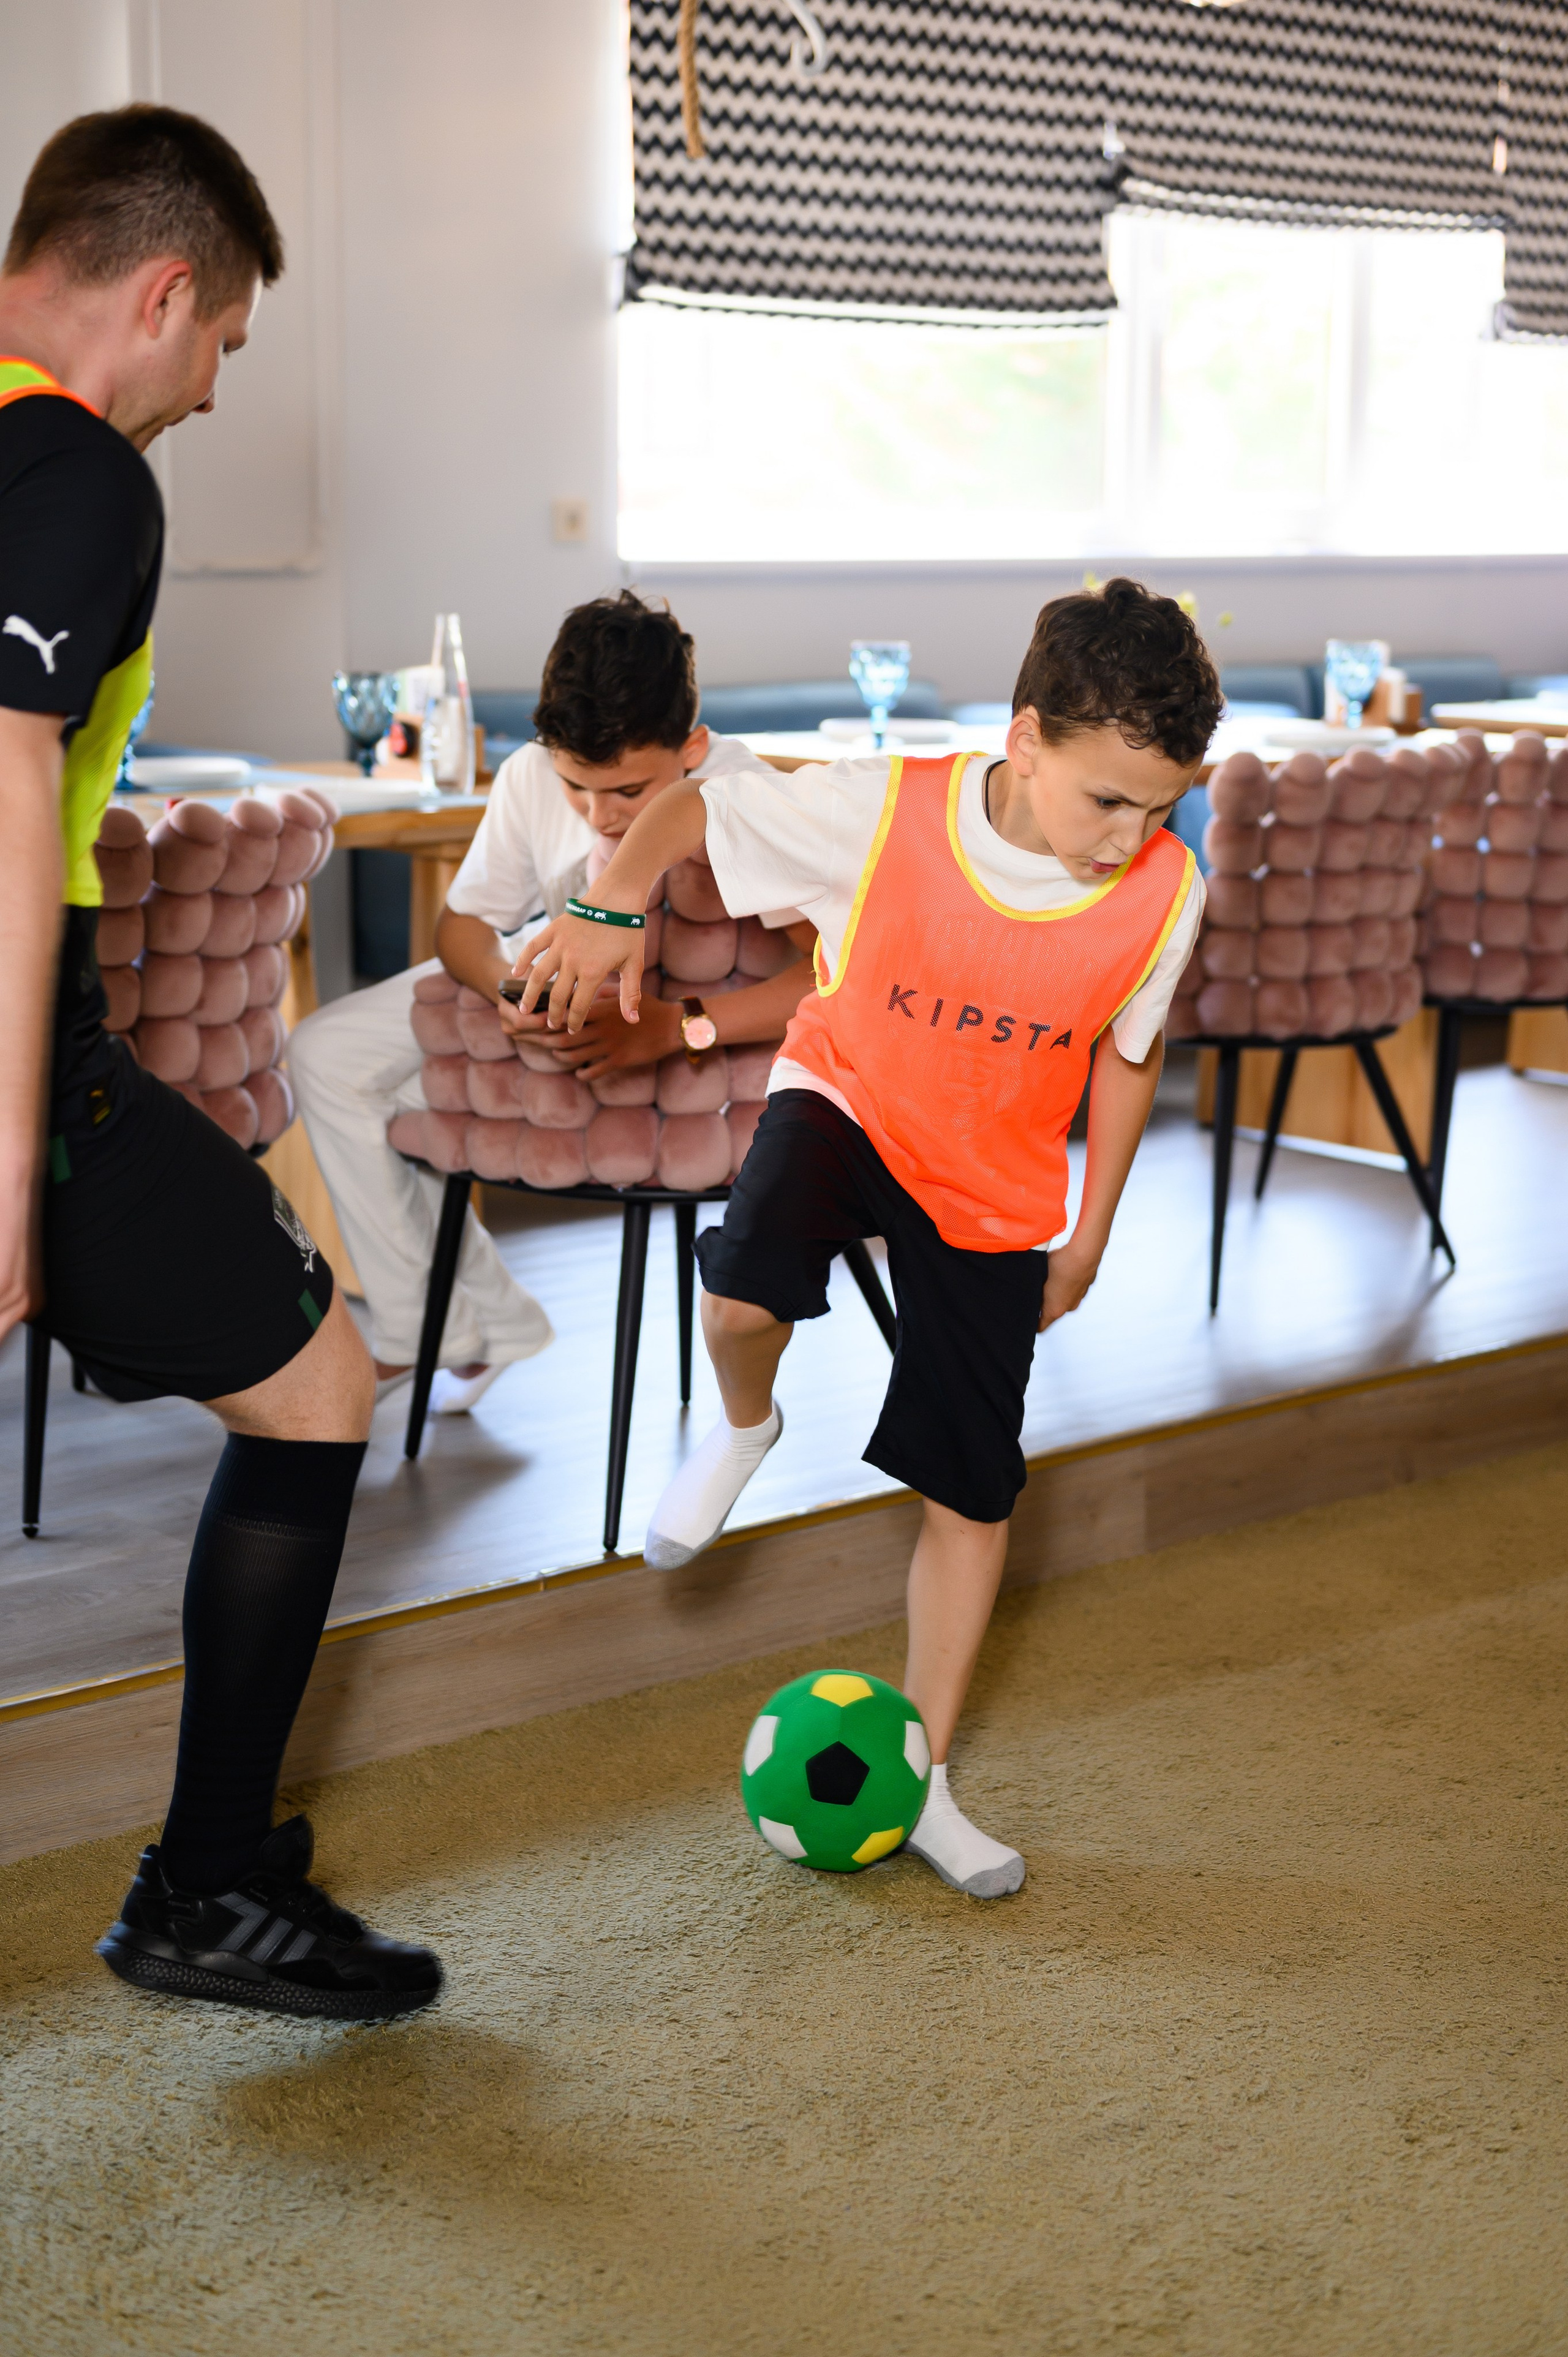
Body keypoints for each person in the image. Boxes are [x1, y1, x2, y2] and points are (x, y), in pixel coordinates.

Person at [517, 579, 1219, 1899]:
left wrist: (1090, 1234)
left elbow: (1133, 1053)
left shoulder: (1162, 893)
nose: (1131, 834)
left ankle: (927, 1776)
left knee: (970, 1490)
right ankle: (742, 1426)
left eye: (1161, 804)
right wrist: (607, 906)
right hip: (848, 1094)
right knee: (736, 1301)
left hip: (993, 1180)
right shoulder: (886, 805)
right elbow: (692, 802)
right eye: (1104, 800)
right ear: (1023, 741)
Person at [0, 106, 440, 2015]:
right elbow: (8, 774)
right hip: (25, 1062)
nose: (205, 392)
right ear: (166, 289)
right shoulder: (77, 468)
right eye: (223, 347)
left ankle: (224, 1875)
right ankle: (210, 1889)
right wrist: (9, 1146)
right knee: (318, 1379)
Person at [288, 589, 816, 1410]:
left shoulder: (744, 794)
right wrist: (506, 995)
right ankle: (449, 1324)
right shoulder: (536, 773)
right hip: (556, 984)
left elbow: (834, 973)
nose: (600, 814)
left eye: (630, 793)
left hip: (696, 1037)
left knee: (395, 1085)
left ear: (694, 750)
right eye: (578, 786)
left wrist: (682, 1030)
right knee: (326, 1054)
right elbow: (463, 923)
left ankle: (468, 1323)